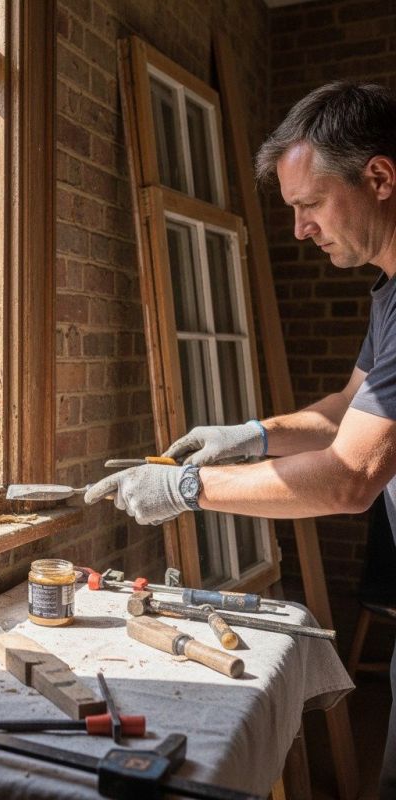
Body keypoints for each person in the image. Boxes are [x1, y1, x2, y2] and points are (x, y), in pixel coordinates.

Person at [84, 80, 396, 794]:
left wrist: (186, 486)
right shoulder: (389, 290)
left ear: (378, 177)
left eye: (309, 205)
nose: (299, 230)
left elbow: (351, 476)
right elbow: (350, 407)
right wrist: (250, 436)